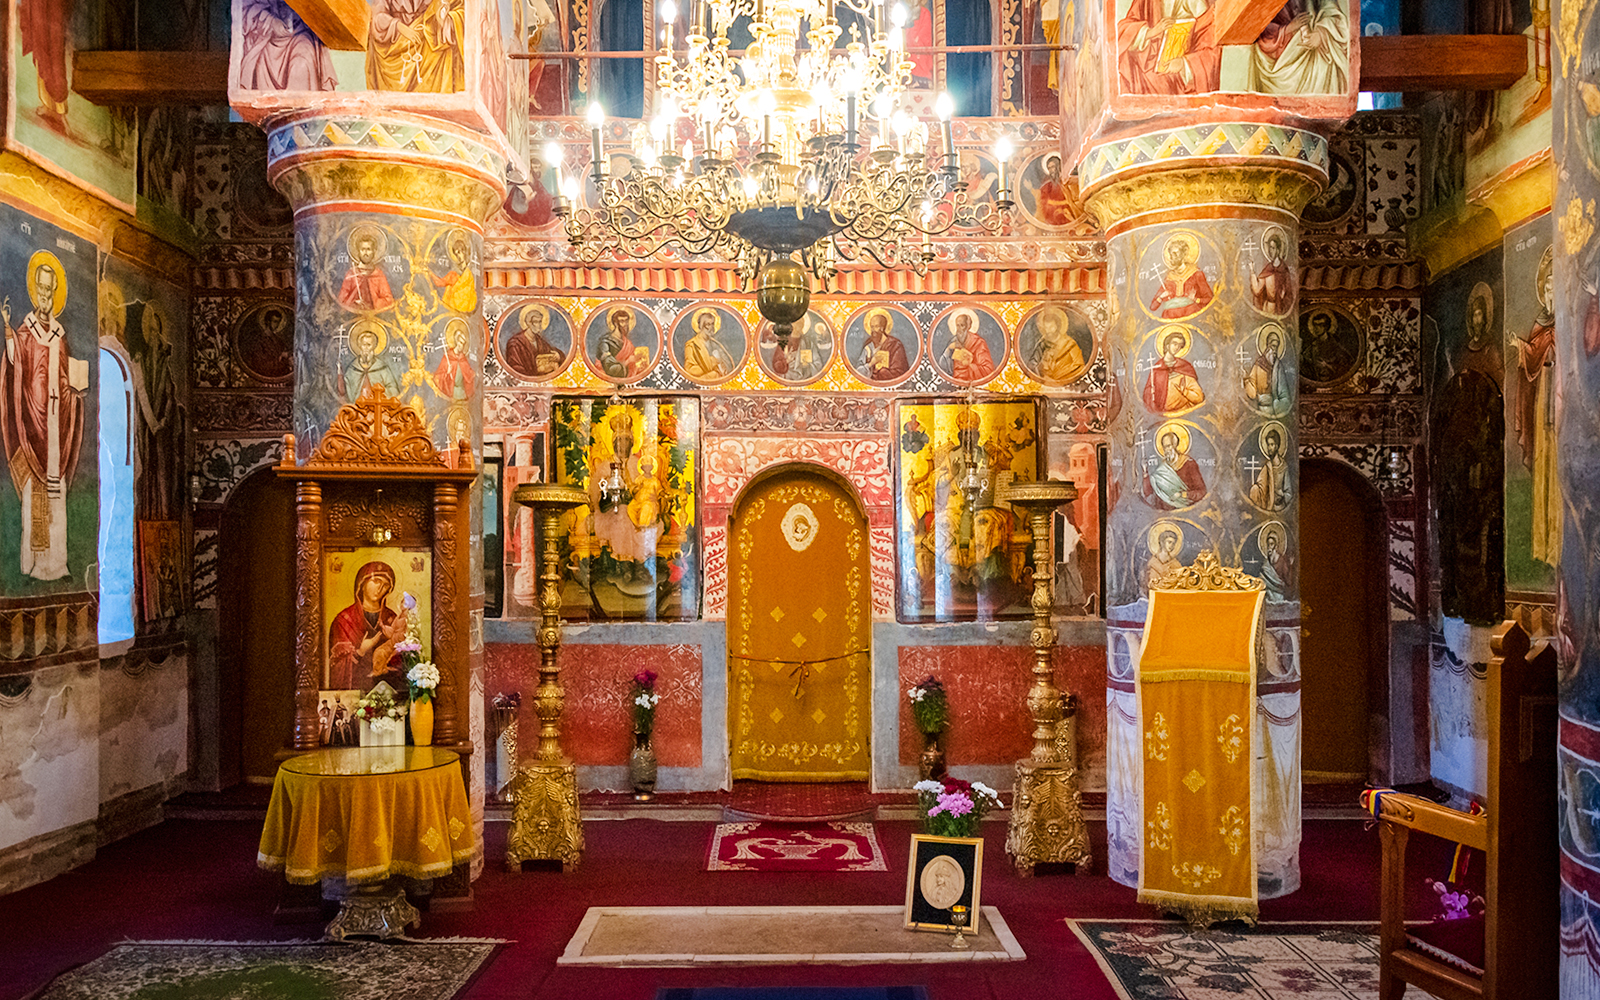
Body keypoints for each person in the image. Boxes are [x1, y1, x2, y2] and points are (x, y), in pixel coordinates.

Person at [0, 255, 86, 582]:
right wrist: (8, 331)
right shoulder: (26, 332)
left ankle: (58, 564)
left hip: (55, 424)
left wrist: (73, 391)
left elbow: (63, 375)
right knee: (35, 493)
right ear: (35, 291)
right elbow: (16, 363)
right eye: (42, 289)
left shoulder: (60, 336)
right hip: (34, 424)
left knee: (56, 493)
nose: (46, 296)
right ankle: (35, 565)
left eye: (51, 290)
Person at [1513, 247, 1560, 566]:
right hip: (1544, 398)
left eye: (1555, 284)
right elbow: (1533, 356)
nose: (1550, 290)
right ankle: (1544, 544)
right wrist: (1523, 348)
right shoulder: (1540, 323)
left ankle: (1559, 543)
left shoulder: (1568, 320)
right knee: (1544, 463)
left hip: (1561, 398)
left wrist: (1528, 348)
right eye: (1546, 285)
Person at [327, 561, 409, 690]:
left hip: (386, 691)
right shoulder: (344, 621)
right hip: (354, 692)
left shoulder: (392, 618)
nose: (380, 588)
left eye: (385, 585)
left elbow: (402, 661)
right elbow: (336, 667)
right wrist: (360, 651)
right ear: (362, 583)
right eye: (376, 581)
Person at [132, 306, 180, 520]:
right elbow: (140, 393)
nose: (154, 336)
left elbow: (170, 396)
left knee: (162, 469)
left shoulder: (165, 365)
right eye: (150, 331)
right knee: (147, 466)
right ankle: (148, 511)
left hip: (162, 427)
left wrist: (164, 420)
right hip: (147, 427)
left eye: (156, 331)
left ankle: (162, 511)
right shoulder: (141, 362)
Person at [1246, 0, 1350, 96]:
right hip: (1276, 58)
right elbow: (1256, 23)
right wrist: (1287, 29)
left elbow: (1332, 13)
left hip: (1312, 58)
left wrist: (1320, 34)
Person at [1117, 0, 1220, 96]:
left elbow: (1210, 52)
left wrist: (1183, 64)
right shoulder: (1146, 2)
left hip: (1180, 81)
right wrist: (1150, 33)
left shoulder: (1200, 6)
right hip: (1146, 74)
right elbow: (1122, 31)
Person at [237, 0, 338, 90]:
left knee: (302, 61)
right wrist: (270, 21)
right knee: (260, 62)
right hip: (268, 36)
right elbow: (244, 9)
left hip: (299, 32)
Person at [366, 0, 466, 93]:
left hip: (427, 48)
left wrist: (444, 17)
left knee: (443, 48)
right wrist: (400, 27)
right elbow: (378, 17)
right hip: (395, 47)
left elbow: (458, 8)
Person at [1148, 234, 1214, 319]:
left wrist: (1195, 299)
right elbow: (1153, 307)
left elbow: (1209, 299)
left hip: (1191, 316)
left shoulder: (1196, 274)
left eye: (1175, 254)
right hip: (1169, 318)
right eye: (1171, 254)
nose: (1172, 258)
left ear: (1184, 254)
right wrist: (1161, 297)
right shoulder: (1169, 278)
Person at [1142, 328, 1206, 414]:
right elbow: (1148, 393)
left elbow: (1199, 397)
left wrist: (1185, 391)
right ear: (1167, 345)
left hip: (1184, 411)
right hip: (1162, 414)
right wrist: (1150, 393)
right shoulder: (1157, 369)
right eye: (1174, 344)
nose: (1177, 348)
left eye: (1180, 345)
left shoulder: (1184, 366)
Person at [1142, 429, 1206, 509]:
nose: (1166, 450)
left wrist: (1182, 495)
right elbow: (1148, 492)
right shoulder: (1162, 468)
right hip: (1164, 512)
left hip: (1185, 510)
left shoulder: (1189, 464)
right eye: (1164, 447)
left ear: (1175, 445)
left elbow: (1201, 492)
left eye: (1169, 446)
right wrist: (1145, 472)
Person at [337, 230, 395, 311]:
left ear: (374, 251)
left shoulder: (378, 275)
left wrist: (373, 302)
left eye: (368, 249)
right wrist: (354, 303)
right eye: (363, 249)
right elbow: (342, 301)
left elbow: (388, 300)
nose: (365, 253)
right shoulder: (351, 274)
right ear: (358, 251)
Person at [342, 323, 401, 401]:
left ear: (374, 346)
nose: (366, 348)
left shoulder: (382, 367)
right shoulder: (352, 368)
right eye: (364, 345)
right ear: (359, 346)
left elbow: (393, 390)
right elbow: (346, 391)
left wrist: (378, 395)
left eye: (369, 345)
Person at [502, 304, 565, 378]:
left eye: (540, 322)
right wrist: (536, 371)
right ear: (529, 323)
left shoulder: (539, 341)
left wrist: (558, 356)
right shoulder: (515, 343)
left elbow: (551, 350)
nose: (539, 325)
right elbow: (515, 368)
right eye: (536, 322)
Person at [1241, 327, 1291, 416]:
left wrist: (1275, 402)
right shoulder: (1258, 366)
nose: (1275, 350)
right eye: (1273, 346)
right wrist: (1246, 379)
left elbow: (1285, 394)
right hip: (1262, 409)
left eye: (1277, 347)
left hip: (1275, 409)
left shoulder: (1278, 366)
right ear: (1267, 346)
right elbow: (1252, 394)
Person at [1030, 306, 1087, 383]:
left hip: (1065, 381)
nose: (1048, 331)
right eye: (1046, 327)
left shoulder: (1070, 343)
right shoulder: (1042, 344)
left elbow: (1079, 366)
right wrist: (1042, 375)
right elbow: (1033, 364)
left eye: (1051, 327)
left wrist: (1058, 377)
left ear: (1058, 326)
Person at [942, 308, 996, 382]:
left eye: (962, 325)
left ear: (968, 326)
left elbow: (988, 370)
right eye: (957, 325)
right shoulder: (953, 341)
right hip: (956, 382)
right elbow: (942, 366)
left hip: (972, 381)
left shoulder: (979, 343)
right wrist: (948, 350)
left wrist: (969, 365)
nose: (959, 329)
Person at [682, 308, 737, 380]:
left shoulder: (715, 344)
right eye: (708, 324)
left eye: (712, 324)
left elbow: (727, 366)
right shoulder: (692, 345)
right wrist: (711, 363)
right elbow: (689, 369)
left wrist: (721, 367)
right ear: (701, 326)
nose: (711, 328)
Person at [857, 308, 911, 381]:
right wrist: (871, 363)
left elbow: (900, 371)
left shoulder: (895, 345)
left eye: (876, 326)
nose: (873, 330)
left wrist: (882, 371)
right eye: (872, 327)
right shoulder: (868, 346)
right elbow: (858, 371)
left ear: (882, 328)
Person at [596, 307, 651, 379]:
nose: (625, 324)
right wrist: (628, 361)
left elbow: (634, 366)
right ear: (615, 323)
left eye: (626, 321)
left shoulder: (628, 343)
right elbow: (610, 369)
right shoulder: (605, 342)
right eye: (622, 321)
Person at [430, 230, 477, 313]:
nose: (458, 256)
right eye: (456, 254)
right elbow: (440, 282)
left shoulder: (468, 274)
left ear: (464, 251)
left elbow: (470, 294)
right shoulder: (454, 274)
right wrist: (429, 273)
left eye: (459, 252)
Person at [1301, 309, 1355, 382]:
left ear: (1326, 327)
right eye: (1315, 325)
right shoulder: (1312, 346)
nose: (1316, 328)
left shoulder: (1336, 346)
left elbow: (1347, 365)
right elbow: (1305, 362)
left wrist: (1327, 366)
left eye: (1320, 325)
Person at [1250, 230, 1294, 315]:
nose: (1271, 251)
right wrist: (1252, 271)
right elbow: (1257, 290)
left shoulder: (1284, 270)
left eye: (1273, 248)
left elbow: (1289, 294)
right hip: (1268, 308)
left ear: (1278, 250)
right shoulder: (1267, 269)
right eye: (1269, 248)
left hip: (1280, 309)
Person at [1247, 426, 1291, 511]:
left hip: (1280, 508)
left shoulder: (1284, 467)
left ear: (1277, 446)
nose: (1269, 448)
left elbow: (1289, 492)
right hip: (1268, 506)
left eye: (1272, 445)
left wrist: (1282, 498)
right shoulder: (1267, 467)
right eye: (1268, 445)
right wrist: (1255, 490)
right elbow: (1260, 488)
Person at [433, 318, 476, 402]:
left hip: (463, 393)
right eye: (460, 343)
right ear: (456, 342)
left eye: (463, 344)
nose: (462, 346)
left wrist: (473, 374)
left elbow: (468, 374)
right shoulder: (448, 357)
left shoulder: (463, 358)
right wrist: (447, 373)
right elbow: (437, 377)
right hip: (452, 392)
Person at [1037, 154, 1074, 227]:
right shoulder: (1046, 186)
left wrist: (1064, 210)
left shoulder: (1069, 181)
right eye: (1049, 168)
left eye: (1053, 167)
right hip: (1053, 217)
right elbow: (1044, 203)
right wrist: (1054, 210)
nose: (1051, 170)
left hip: (1068, 215)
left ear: (1058, 166)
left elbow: (1074, 201)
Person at [1258, 526, 1292, 602]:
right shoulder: (1266, 561)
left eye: (1271, 544)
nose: (1269, 547)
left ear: (1276, 546)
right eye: (1268, 544)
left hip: (1278, 594)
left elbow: (1287, 580)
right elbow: (1262, 577)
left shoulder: (1282, 560)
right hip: (1268, 593)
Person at [1146, 526, 1184, 590]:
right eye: (1169, 542)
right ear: (1162, 542)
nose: (1171, 546)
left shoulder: (1176, 564)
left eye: (1173, 543)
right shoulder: (1152, 562)